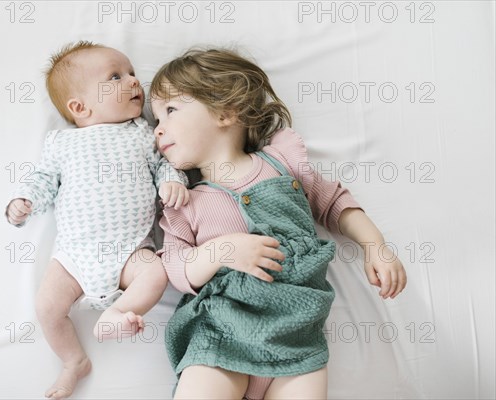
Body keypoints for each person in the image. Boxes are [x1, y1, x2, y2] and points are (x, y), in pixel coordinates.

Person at [151, 48, 407, 400]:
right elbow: (176, 268)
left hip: (297, 339)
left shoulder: (282, 163)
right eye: (155, 120)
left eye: (170, 110)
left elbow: (333, 201)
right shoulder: (184, 201)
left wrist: (375, 246)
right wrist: (220, 251)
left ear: (225, 111)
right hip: (221, 337)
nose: (158, 130)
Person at [5, 41, 189, 399]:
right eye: (116, 76)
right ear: (79, 107)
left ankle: (120, 312)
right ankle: (73, 360)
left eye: (133, 72)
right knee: (46, 306)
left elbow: (165, 164)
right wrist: (23, 200)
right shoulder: (61, 143)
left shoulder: (143, 133)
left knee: (155, 272)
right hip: (74, 255)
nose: (135, 81)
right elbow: (43, 178)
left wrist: (172, 181)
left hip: (130, 247)